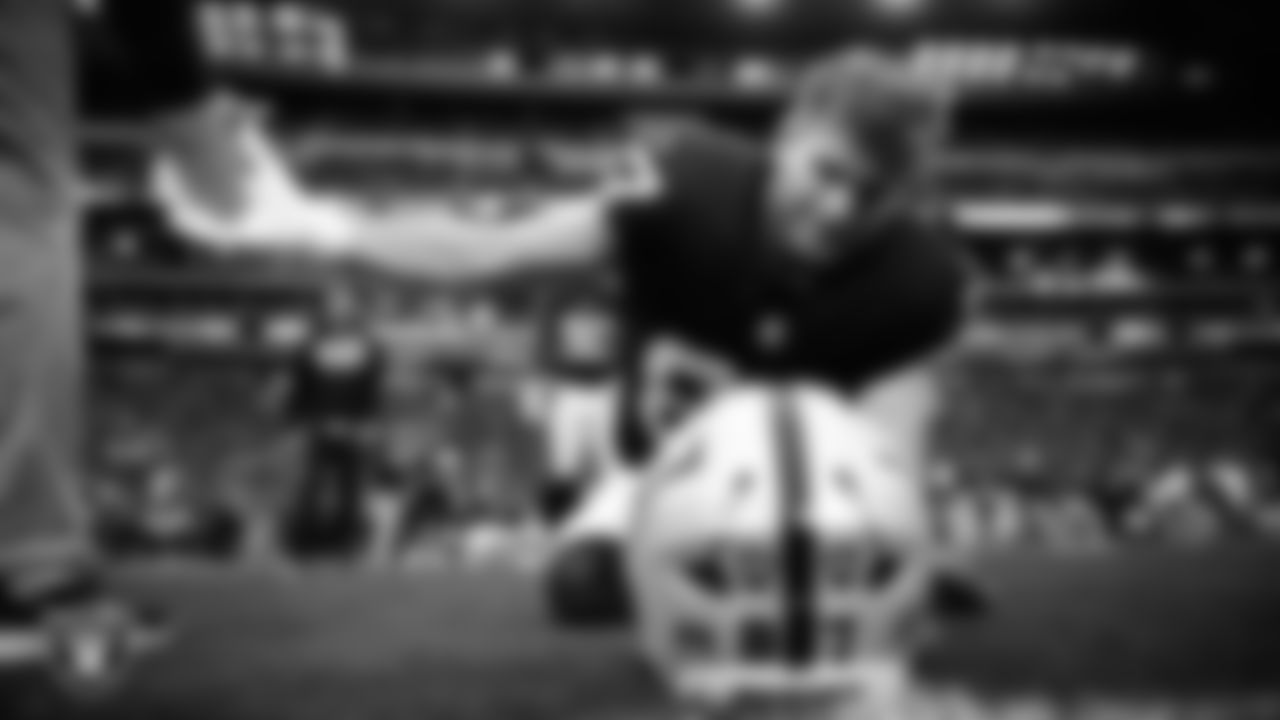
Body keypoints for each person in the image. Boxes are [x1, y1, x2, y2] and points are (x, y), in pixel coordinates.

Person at [156, 45, 967, 597]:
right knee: (583, 589)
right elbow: (493, 250)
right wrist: (320, 226)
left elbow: (890, 455)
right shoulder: (687, 184)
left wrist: (887, 550)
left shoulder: (920, 282)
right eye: (828, 173)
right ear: (787, 136)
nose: (837, 210)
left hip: (804, 503)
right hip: (659, 483)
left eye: (871, 195)